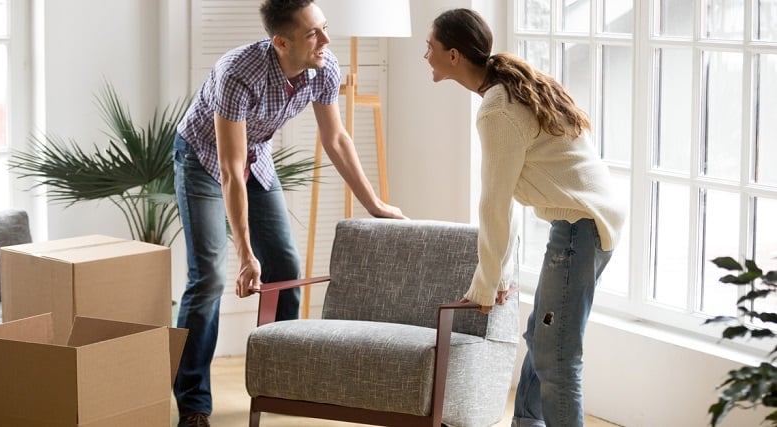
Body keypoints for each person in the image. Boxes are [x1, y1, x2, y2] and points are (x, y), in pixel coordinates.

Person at [172, 0, 405, 425]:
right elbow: (229, 169)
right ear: (281, 42)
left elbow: (336, 139)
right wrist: (245, 254)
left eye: (324, 28)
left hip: (255, 157)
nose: (326, 40)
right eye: (313, 33)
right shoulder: (237, 73)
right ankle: (193, 404)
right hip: (203, 160)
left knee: (285, 267)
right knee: (208, 276)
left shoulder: (324, 66)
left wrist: (375, 203)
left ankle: (280, 384)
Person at [425, 8, 626, 427]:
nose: (426, 54)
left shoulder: (498, 108)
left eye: (431, 47)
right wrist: (494, 278)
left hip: (580, 227)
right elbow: (508, 199)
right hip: (583, 223)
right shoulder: (502, 92)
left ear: (455, 55)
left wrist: (484, 288)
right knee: (542, 339)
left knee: (557, 357)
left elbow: (493, 203)